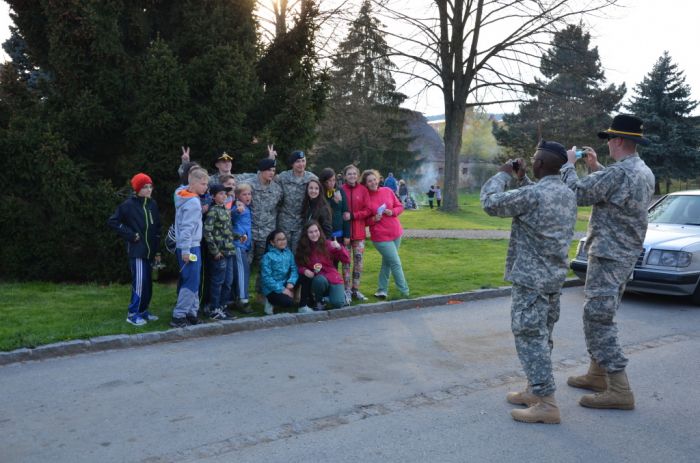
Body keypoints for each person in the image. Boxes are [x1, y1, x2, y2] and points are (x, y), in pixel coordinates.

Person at [562, 114, 655, 411]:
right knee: (603, 312)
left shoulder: (619, 173)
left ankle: (619, 388)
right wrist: (596, 168)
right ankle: (597, 374)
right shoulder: (642, 170)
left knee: (598, 318)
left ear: (617, 141)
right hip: (624, 254)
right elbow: (616, 190)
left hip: (609, 255)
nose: (608, 146)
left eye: (609, 140)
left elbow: (577, 193)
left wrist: (567, 164)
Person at [481, 141, 577, 424]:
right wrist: (522, 179)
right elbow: (535, 197)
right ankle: (535, 390)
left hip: (531, 281)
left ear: (540, 165)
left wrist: (503, 174)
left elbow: (489, 203)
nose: (532, 162)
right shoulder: (567, 192)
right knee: (542, 336)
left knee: (529, 337)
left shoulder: (534, 195)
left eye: (535, 159)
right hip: (553, 278)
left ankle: (547, 403)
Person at [107, 173, 162, 326]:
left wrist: (157, 251)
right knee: (139, 282)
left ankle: (143, 310)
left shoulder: (153, 204)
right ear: (137, 188)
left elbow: (157, 228)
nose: (149, 189)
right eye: (145, 187)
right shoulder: (128, 205)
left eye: (150, 186)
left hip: (150, 252)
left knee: (148, 283)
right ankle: (132, 314)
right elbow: (113, 221)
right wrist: (131, 235)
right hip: (137, 251)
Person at [361, 169, 409, 298]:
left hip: (396, 233)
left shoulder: (387, 191)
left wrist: (392, 212)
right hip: (380, 237)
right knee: (395, 262)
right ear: (365, 183)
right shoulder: (365, 198)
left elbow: (400, 206)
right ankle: (404, 291)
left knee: (387, 262)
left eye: (374, 179)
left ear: (378, 179)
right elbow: (363, 220)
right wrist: (373, 219)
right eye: (369, 181)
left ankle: (382, 289)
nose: (373, 182)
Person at [171, 167, 210, 327]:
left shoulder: (181, 194)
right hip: (190, 247)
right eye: (203, 184)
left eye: (207, 184)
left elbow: (180, 188)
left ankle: (192, 313)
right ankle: (179, 315)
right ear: (192, 184)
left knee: (193, 280)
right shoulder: (193, 202)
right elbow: (187, 229)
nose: (206, 187)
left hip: (187, 246)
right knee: (191, 282)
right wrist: (186, 251)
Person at [203, 184, 240, 320]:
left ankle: (223, 307)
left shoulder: (224, 209)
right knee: (217, 281)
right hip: (220, 254)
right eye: (220, 194)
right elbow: (207, 231)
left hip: (230, 251)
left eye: (225, 194)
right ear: (213, 196)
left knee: (228, 281)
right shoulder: (213, 211)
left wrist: (238, 236)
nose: (224, 196)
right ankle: (214, 309)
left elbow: (226, 231)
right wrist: (215, 251)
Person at [295, 221, 350, 312]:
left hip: (332, 276)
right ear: (306, 234)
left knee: (338, 304)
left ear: (319, 231)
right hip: (317, 279)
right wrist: (304, 270)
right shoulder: (302, 248)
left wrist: (339, 248)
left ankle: (332, 297)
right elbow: (298, 265)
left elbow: (346, 260)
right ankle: (319, 301)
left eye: (316, 231)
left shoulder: (328, 244)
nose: (314, 234)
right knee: (319, 280)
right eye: (311, 232)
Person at [341, 164, 372, 302]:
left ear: (358, 175)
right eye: (349, 174)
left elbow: (368, 210)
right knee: (346, 262)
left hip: (359, 233)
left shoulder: (363, 190)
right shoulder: (341, 190)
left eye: (354, 173)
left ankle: (356, 290)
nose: (352, 176)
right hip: (345, 234)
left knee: (358, 262)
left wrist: (354, 215)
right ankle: (346, 290)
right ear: (345, 176)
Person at [276, 150, 318, 253]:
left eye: (303, 161)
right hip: (285, 220)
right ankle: (283, 269)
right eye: (298, 161)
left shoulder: (311, 178)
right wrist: (271, 159)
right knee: (283, 249)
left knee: (298, 250)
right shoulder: (283, 176)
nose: (301, 164)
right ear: (292, 164)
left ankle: (296, 269)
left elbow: (322, 190)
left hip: (301, 221)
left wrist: (336, 193)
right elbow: (269, 179)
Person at [260, 230, 298, 315]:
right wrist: (282, 290)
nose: (283, 242)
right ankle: (269, 301)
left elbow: (294, 269)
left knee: (303, 277)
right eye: (279, 240)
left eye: (284, 239)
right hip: (271, 289)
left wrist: (291, 282)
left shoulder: (288, 253)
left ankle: (304, 303)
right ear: (272, 242)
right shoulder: (267, 257)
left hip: (286, 284)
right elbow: (266, 278)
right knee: (288, 302)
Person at [231, 183, 253, 313]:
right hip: (238, 245)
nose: (248, 196)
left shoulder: (247, 207)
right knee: (242, 271)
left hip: (244, 245)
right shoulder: (239, 206)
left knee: (242, 271)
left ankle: (236, 298)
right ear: (238, 196)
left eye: (249, 194)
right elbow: (233, 214)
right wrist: (236, 210)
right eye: (244, 194)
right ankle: (243, 300)